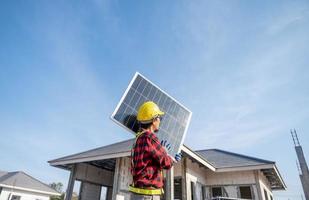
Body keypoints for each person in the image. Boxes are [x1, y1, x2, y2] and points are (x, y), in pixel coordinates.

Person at [129, 101, 182, 200]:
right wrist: (171, 158)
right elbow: (166, 163)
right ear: (153, 120)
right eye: (159, 118)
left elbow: (151, 158)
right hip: (147, 195)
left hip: (138, 193)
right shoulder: (150, 137)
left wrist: (162, 151)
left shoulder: (138, 138)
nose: (160, 121)